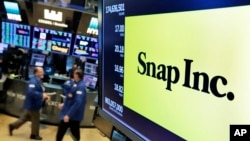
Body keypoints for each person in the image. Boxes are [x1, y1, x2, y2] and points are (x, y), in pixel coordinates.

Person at [8, 67, 50, 140]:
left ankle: (13, 126)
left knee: (25, 117)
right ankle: (34, 135)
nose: (43, 73)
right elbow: (31, 92)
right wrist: (41, 95)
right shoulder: (33, 81)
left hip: (34, 103)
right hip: (33, 104)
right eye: (41, 71)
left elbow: (40, 90)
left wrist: (44, 95)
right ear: (36, 73)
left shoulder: (39, 80)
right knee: (36, 119)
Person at [56, 69, 87, 141]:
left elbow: (78, 102)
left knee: (74, 133)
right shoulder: (76, 84)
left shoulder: (81, 87)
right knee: (62, 131)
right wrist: (64, 104)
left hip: (73, 115)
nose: (73, 75)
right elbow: (72, 98)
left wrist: (68, 115)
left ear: (77, 75)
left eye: (75, 74)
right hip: (70, 113)